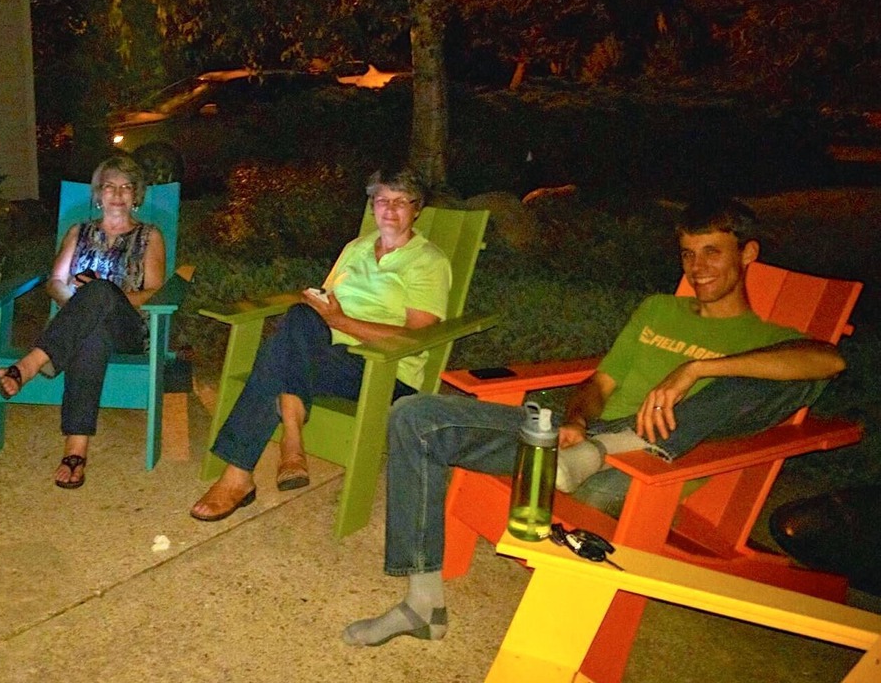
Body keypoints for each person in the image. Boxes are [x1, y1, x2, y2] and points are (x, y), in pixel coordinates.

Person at [343, 197, 846, 647]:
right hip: (574, 447)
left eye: (713, 252)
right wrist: (578, 422)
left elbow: (828, 361)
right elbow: (600, 384)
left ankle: (602, 450)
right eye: (689, 254)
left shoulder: (768, 341)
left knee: (773, 378)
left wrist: (696, 369)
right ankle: (422, 604)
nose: (698, 268)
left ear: (748, 254)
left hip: (641, 472)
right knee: (416, 414)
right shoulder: (657, 310)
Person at [190, 167, 454, 521]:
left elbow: (415, 336)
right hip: (331, 356)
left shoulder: (428, 261)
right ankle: (291, 443)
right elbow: (328, 298)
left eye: (400, 202)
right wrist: (320, 306)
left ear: (417, 209)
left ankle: (242, 473)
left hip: (384, 370)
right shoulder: (356, 248)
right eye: (381, 201)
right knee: (298, 320)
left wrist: (340, 321)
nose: (389, 211)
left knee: (277, 359)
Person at [0, 155, 166, 489]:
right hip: (83, 328)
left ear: (136, 197)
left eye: (126, 187)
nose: (117, 194)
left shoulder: (150, 236)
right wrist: (81, 304)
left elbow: (154, 291)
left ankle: (30, 363)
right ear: (98, 194)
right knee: (91, 335)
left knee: (99, 291)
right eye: (110, 186)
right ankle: (76, 449)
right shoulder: (79, 232)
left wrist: (103, 298)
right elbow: (55, 282)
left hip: (129, 329)